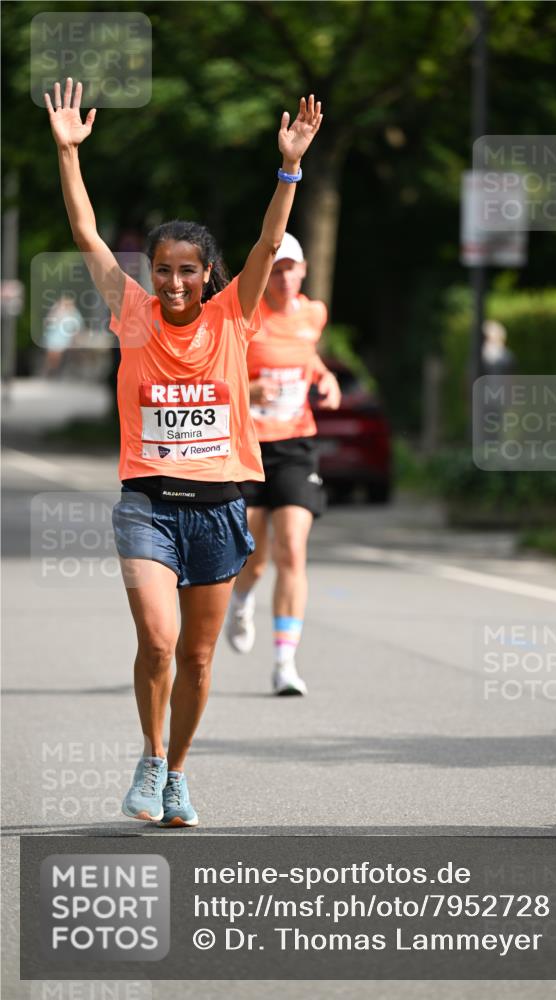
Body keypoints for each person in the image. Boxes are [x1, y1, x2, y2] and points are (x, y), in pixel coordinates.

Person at [45, 77, 323, 826]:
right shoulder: (133, 315)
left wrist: (289, 168)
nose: (172, 282)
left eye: (186, 270)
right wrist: (69, 154)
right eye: (162, 269)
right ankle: (147, 755)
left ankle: (176, 773)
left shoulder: (233, 315)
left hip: (219, 508)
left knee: (199, 659)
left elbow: (268, 243)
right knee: (161, 643)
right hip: (148, 507)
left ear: (207, 275)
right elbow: (86, 235)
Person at [225, 233, 341, 696]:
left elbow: (308, 356)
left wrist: (326, 377)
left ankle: (284, 663)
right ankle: (241, 599)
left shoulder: (313, 314)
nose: (285, 278)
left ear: (304, 271)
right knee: (254, 559)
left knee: (292, 548)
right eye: (276, 270)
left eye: (292, 269)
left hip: (296, 446)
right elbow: (215, 371)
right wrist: (248, 388)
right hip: (250, 448)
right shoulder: (244, 315)